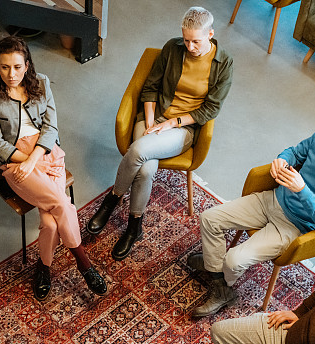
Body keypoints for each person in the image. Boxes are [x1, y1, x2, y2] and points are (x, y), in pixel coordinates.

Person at [188, 107, 315, 317]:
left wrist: (302, 190)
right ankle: (219, 281)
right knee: (209, 218)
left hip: (293, 225)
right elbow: (295, 152)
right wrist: (282, 160)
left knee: (233, 260)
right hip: (272, 199)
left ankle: (217, 275)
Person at [86, 6, 233, 261]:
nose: (189, 46)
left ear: (211, 34)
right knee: (145, 169)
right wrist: (153, 122)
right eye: (186, 40)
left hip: (183, 127)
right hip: (154, 116)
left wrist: (171, 123)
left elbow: (210, 109)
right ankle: (134, 226)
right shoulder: (172, 48)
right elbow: (151, 87)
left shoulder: (224, 64)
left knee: (141, 149)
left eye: (196, 41)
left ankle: (112, 199)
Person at [0, 36, 107, 301]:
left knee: (49, 222)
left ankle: (43, 267)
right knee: (62, 202)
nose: (11, 74)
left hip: (47, 153)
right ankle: (84, 263)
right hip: (15, 163)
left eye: (16, 67)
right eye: (4, 67)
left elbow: (51, 127)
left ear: (27, 65)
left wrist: (34, 158)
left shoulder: (42, 83)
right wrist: (25, 160)